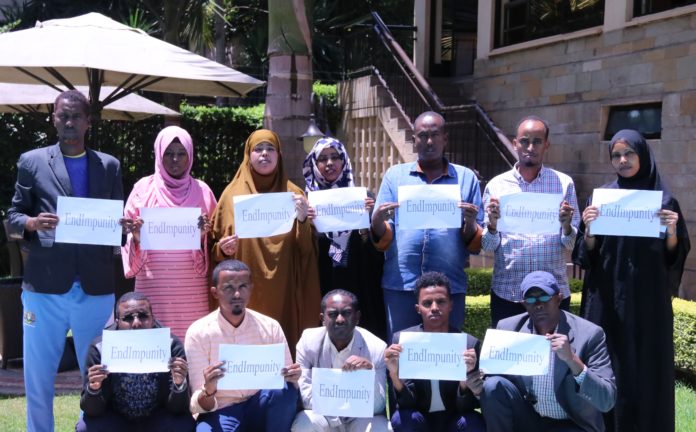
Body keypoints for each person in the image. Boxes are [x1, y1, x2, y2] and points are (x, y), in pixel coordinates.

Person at [6, 89, 123, 432]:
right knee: (39, 376)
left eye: (76, 117)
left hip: (96, 287)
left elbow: (116, 224)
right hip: (45, 286)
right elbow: (13, 215)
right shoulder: (32, 161)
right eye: (62, 116)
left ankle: (93, 428)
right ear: (53, 119)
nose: (69, 123)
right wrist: (30, 223)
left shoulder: (109, 166)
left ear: (89, 122)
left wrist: (124, 228)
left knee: (99, 373)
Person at [572, 129, 690, 432]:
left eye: (629, 154)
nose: (622, 160)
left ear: (642, 155)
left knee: (646, 369)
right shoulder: (601, 199)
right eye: (616, 155)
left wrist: (672, 231)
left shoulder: (664, 201)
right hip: (607, 301)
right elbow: (587, 257)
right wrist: (590, 231)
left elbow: (672, 258)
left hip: (648, 303)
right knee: (607, 366)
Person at [372, 111, 483, 341]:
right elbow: (384, 236)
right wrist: (376, 221)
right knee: (400, 352)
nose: (429, 141)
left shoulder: (465, 178)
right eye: (423, 136)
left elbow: (474, 243)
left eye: (434, 135)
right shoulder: (396, 176)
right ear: (414, 139)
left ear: (445, 138)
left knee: (445, 357)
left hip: (448, 286)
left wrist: (471, 222)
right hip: (401, 283)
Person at [209, 129, 321, 349]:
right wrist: (222, 250)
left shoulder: (294, 195)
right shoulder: (230, 196)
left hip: (284, 289)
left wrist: (302, 220)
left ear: (279, 155)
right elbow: (213, 249)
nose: (264, 154)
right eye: (258, 149)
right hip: (243, 290)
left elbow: (306, 251)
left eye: (270, 149)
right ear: (248, 155)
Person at [480, 271, 616, 432]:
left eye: (545, 297)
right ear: (524, 304)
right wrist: (475, 378)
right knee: (492, 385)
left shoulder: (589, 335)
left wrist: (573, 360)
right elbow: (491, 388)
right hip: (528, 419)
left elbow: (607, 399)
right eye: (531, 299)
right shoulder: (509, 330)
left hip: (570, 422)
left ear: (559, 298)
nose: (538, 304)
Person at [481, 115, 579, 327]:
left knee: (554, 355)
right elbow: (487, 246)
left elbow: (571, 244)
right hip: (509, 291)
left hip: (553, 293)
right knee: (509, 356)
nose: (530, 147)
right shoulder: (497, 186)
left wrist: (566, 226)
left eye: (537, 141)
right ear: (515, 144)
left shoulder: (563, 184)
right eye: (525, 141)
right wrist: (492, 225)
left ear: (546, 145)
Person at [121, 126, 217, 340]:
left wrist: (204, 235)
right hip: (154, 286)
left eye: (181, 153)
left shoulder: (203, 192)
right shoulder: (142, 189)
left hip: (192, 291)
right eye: (169, 153)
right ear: (159, 155)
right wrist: (136, 237)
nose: (175, 159)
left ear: (190, 156)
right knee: (154, 346)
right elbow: (127, 237)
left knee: (191, 348)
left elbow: (214, 241)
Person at [185, 259, 301, 431]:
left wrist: (293, 376)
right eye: (228, 288)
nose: (237, 294)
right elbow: (198, 404)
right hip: (222, 410)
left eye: (243, 287)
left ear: (251, 288)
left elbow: (287, 384)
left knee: (284, 391)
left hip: (260, 405)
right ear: (215, 292)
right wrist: (208, 390)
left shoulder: (270, 327)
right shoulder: (198, 333)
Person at [304, 136, 386, 339]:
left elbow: (376, 247)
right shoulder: (307, 202)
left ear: (344, 161)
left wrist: (369, 217)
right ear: (314, 164)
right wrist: (308, 226)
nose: (329, 163)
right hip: (323, 280)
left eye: (335, 157)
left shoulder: (362, 196)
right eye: (322, 159)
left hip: (360, 280)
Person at [76, 292, 195, 431]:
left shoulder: (170, 345)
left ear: (153, 318)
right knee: (85, 428)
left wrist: (179, 385)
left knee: (183, 425)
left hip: (157, 417)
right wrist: (94, 389)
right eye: (127, 318)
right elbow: (91, 410)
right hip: (116, 417)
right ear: (117, 321)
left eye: (143, 316)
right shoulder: (100, 348)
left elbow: (179, 409)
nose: (136, 323)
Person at [385, 272, 485, 432]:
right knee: (402, 419)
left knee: (473, 422)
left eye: (441, 301)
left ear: (451, 304)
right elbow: (406, 404)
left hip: (454, 420)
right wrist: (394, 375)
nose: (434, 308)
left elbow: (468, 407)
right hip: (420, 420)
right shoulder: (404, 342)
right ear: (418, 308)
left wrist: (465, 378)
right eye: (427, 303)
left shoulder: (468, 344)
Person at [293, 289, 389, 431]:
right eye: (332, 314)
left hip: (360, 418)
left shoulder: (377, 347)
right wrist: (337, 415)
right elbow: (304, 396)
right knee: (304, 424)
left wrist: (370, 373)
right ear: (322, 319)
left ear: (357, 317)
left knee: (381, 428)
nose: (340, 319)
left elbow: (378, 406)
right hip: (323, 416)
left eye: (347, 313)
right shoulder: (308, 341)